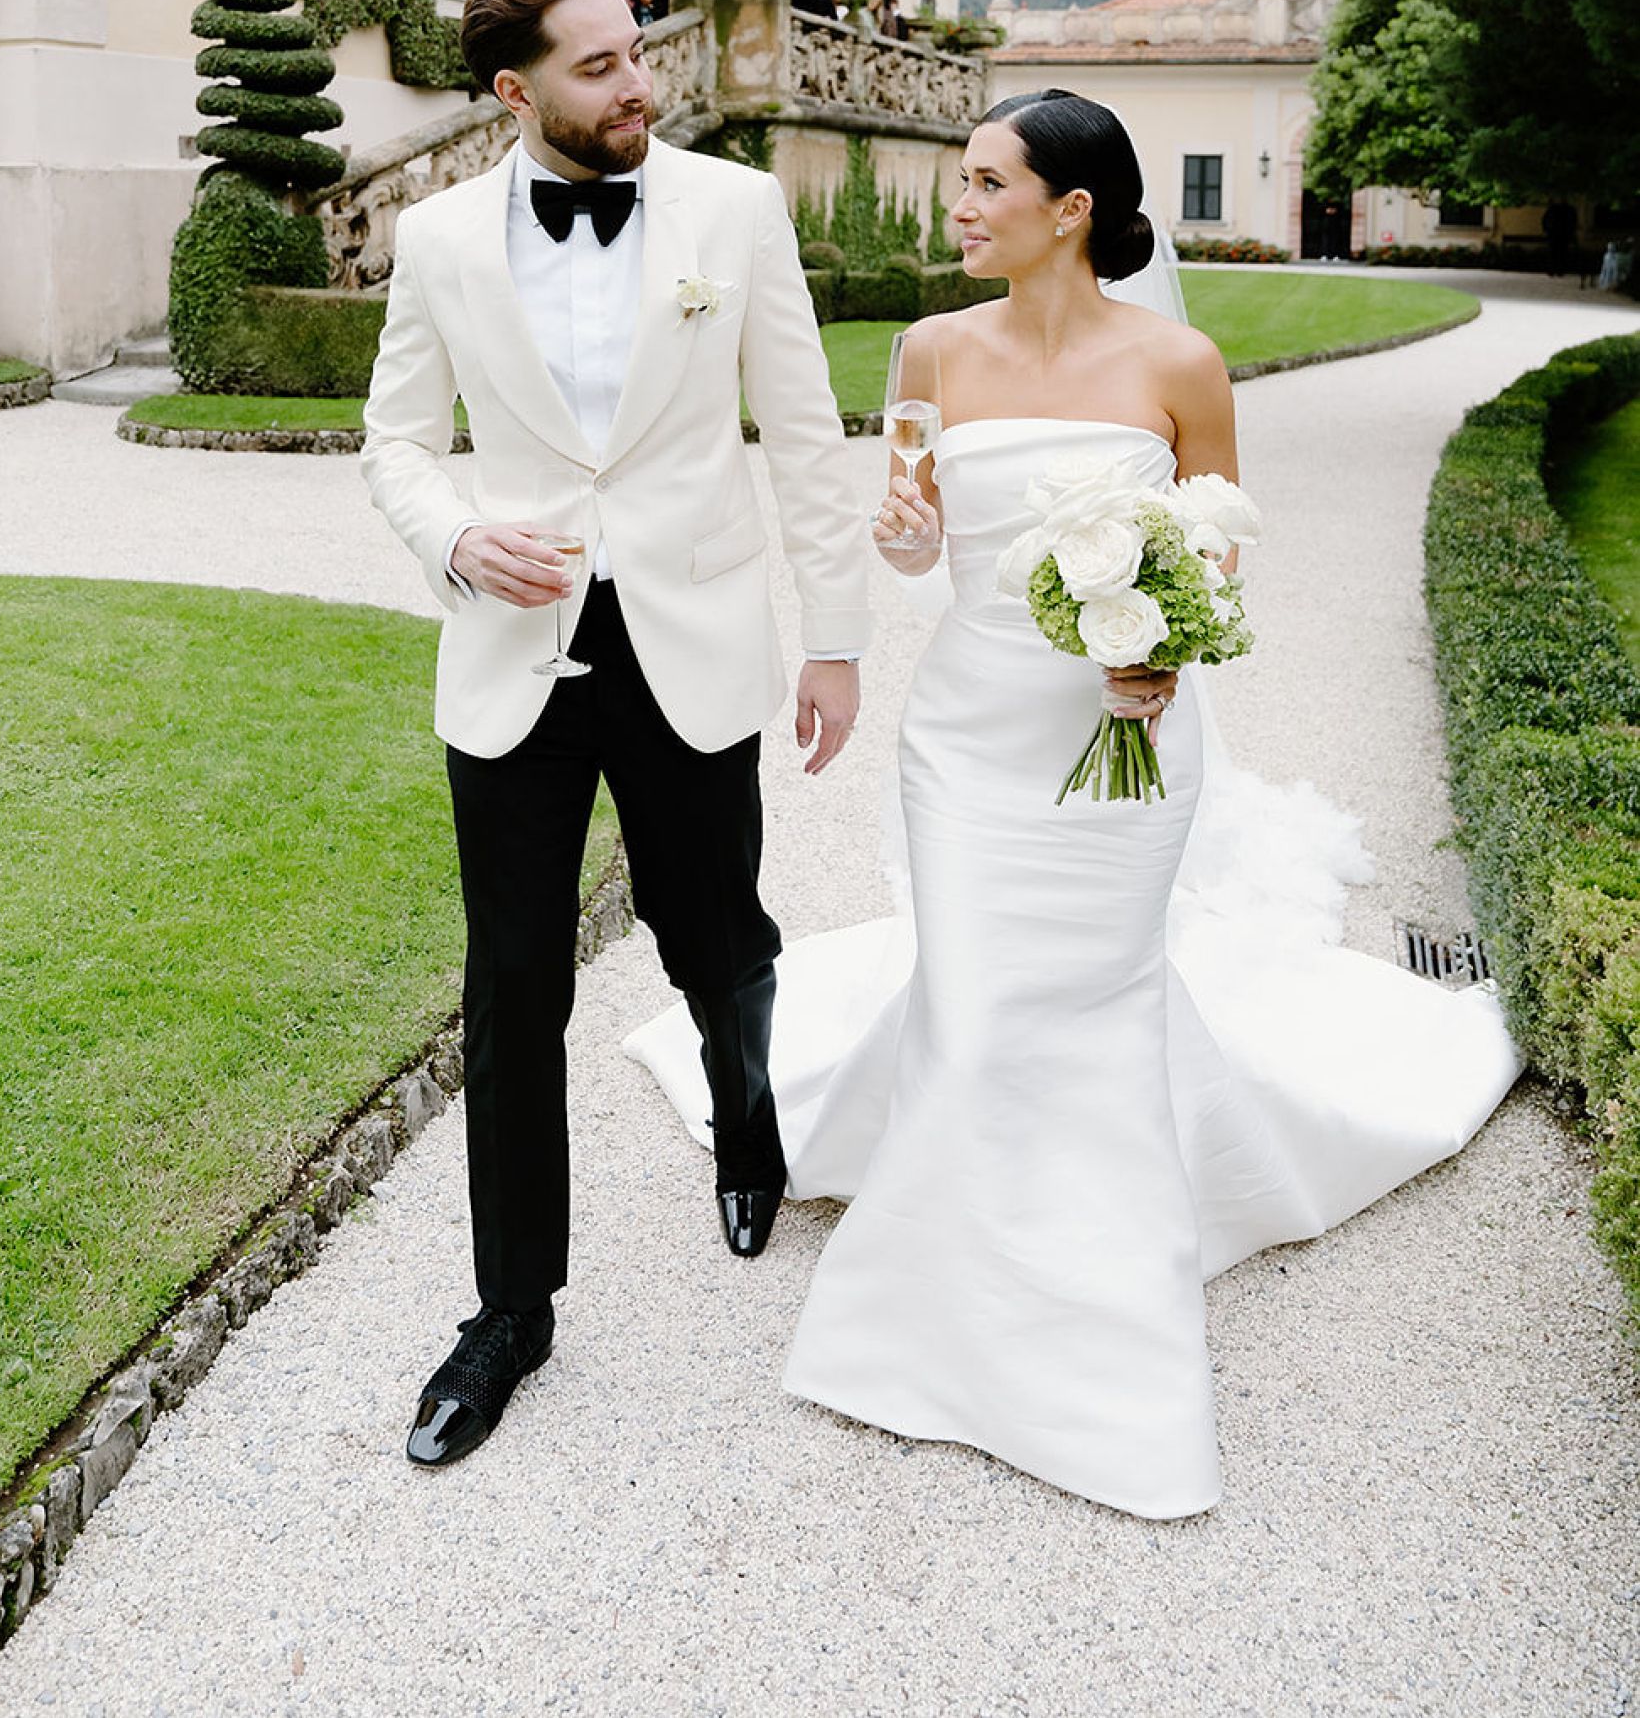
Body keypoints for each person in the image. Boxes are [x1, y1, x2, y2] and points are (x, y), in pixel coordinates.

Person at [629, 88, 1520, 1518]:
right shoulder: (930, 349)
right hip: (969, 741)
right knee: (979, 1007)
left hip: (1123, 749)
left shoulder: (1182, 364)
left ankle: (1094, 1311)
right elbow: (918, 547)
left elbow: (1219, 550)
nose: (959, 208)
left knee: (1093, 1005)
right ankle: (940, 1313)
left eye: (985, 184)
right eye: (961, 182)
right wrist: (907, 536)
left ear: (1071, 212)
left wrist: (1164, 645)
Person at [361, 0, 871, 1469]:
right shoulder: (438, 237)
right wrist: (455, 533)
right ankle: (510, 1309)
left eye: (639, 53)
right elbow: (392, 441)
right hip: (512, 663)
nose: (639, 83)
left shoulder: (738, 208)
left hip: (695, 637)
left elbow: (805, 430)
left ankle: (747, 1105)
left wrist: (834, 643)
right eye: (601, 66)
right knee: (515, 981)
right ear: (518, 91)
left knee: (713, 926)